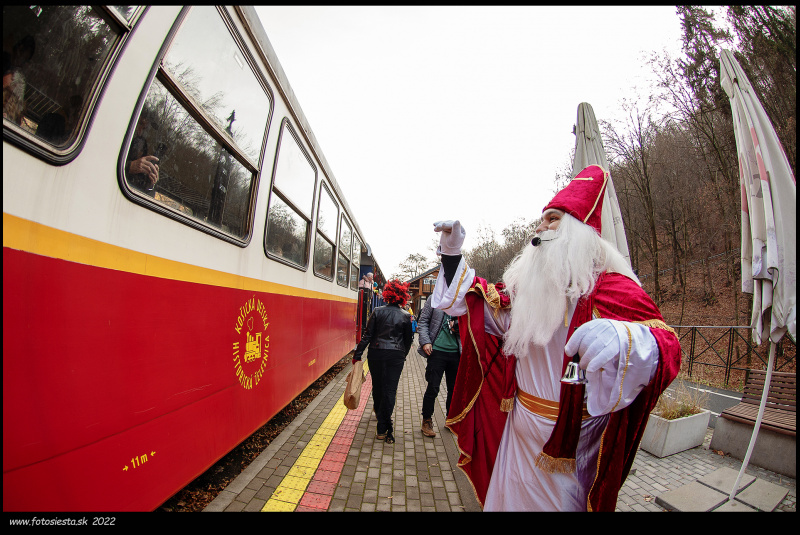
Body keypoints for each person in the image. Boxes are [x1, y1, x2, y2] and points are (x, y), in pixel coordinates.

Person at [430, 164, 681, 511]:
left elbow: (666, 344)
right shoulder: (526, 291)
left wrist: (625, 338)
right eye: (541, 220)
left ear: (579, 232)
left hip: (574, 444)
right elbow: (471, 302)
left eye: (552, 220)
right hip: (518, 432)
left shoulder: (611, 288)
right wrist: (452, 256)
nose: (541, 227)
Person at [352, 279, 414, 444]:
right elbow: (408, 341)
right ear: (402, 296)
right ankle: (382, 427)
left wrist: (357, 355)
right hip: (396, 356)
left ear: (387, 294)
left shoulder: (377, 312)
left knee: (378, 386)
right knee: (390, 390)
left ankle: (379, 413)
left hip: (376, 354)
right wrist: (403, 354)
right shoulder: (406, 316)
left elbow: (367, 336)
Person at [416, 297, 461, 438]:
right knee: (433, 387)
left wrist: (458, 325)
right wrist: (425, 342)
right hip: (436, 351)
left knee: (454, 389)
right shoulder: (434, 298)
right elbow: (422, 322)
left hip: (456, 353)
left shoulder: (462, 299)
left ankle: (450, 419)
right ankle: (427, 420)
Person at [125, 108, 161, 196]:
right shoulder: (122, 136)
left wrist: (150, 183)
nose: (140, 131)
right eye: (140, 123)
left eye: (144, 128)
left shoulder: (142, 143)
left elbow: (147, 193)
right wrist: (129, 166)